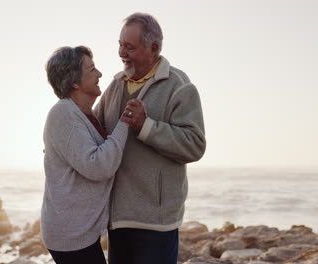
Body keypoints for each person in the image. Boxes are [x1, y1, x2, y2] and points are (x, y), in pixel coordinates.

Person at [94, 13, 207, 264]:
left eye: (129, 47)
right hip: (117, 219)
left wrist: (147, 127)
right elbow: (93, 129)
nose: (121, 52)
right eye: (120, 44)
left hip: (157, 223)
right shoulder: (115, 86)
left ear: (154, 48)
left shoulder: (179, 87)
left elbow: (195, 145)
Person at [41, 46, 131, 264]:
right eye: (92, 70)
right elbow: (99, 166)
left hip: (80, 231)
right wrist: (125, 122)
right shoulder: (63, 113)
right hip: (69, 234)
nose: (99, 74)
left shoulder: (85, 114)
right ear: (75, 82)